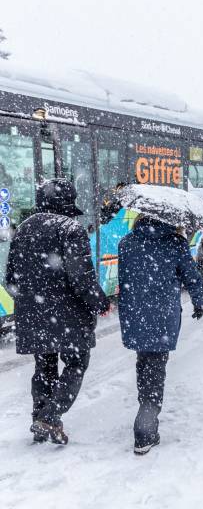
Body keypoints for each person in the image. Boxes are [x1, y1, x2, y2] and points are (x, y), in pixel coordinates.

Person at [5, 178, 110, 445]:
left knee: (44, 367)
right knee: (76, 365)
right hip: (68, 316)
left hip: (33, 314)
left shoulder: (24, 229)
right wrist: (100, 302)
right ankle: (50, 417)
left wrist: (31, 302)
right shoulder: (71, 229)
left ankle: (39, 417)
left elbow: (11, 280)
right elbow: (81, 279)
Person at [118, 216, 203, 455]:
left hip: (134, 314)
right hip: (162, 316)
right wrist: (198, 301)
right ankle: (145, 429)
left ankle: (145, 408)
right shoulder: (175, 243)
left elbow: (124, 280)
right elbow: (191, 276)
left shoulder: (126, 243)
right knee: (156, 368)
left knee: (144, 362)